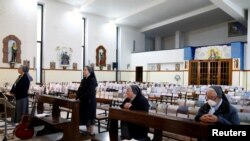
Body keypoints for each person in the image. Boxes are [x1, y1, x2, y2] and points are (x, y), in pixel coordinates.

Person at [77, 66, 97, 136]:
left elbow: (90, 92)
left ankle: (91, 133)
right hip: (84, 101)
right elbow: (79, 89)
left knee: (90, 118)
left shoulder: (92, 80)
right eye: (83, 70)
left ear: (89, 71)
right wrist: (77, 96)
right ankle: (87, 132)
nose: (83, 71)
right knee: (86, 117)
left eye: (85, 70)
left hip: (90, 102)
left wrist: (81, 97)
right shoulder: (83, 80)